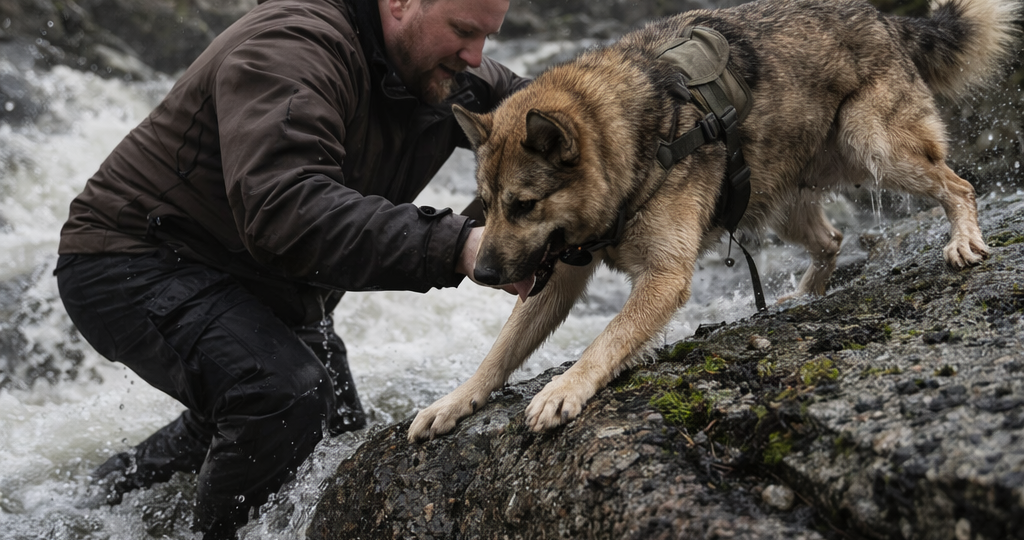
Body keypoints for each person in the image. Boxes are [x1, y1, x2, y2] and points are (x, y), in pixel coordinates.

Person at [54, 0, 528, 537]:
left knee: (336, 430)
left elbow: (559, 114)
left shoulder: (451, 72)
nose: (476, 55)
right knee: (284, 398)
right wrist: (460, 243)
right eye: (464, 31)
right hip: (132, 255)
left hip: (266, 278)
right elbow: (285, 209)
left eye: (488, 36)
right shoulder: (293, 46)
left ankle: (98, 506)